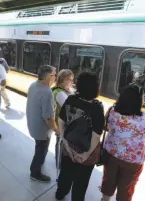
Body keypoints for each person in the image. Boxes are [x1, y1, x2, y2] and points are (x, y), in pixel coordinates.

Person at [101, 84, 145, 201]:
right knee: (126, 187)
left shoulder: (112, 110)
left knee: (108, 179)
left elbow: (105, 126)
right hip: (133, 160)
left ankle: (105, 199)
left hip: (111, 153)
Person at [55, 72, 104, 201]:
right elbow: (96, 135)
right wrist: (86, 155)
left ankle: (60, 194)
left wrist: (64, 142)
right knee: (81, 182)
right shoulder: (97, 107)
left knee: (65, 173)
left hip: (69, 146)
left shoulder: (70, 99)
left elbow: (61, 121)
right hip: (87, 151)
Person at [26, 65, 59, 183]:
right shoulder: (47, 92)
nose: (56, 77)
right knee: (41, 150)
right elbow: (49, 118)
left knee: (39, 147)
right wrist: (56, 129)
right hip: (42, 131)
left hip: (33, 125)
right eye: (54, 75)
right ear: (48, 76)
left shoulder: (33, 85)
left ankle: (39, 163)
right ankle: (35, 173)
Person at [51, 69, 74, 167]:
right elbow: (70, 108)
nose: (72, 82)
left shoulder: (65, 90)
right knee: (60, 143)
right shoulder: (60, 93)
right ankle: (59, 162)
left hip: (63, 123)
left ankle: (60, 159)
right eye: (70, 79)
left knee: (61, 142)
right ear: (64, 79)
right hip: (61, 124)